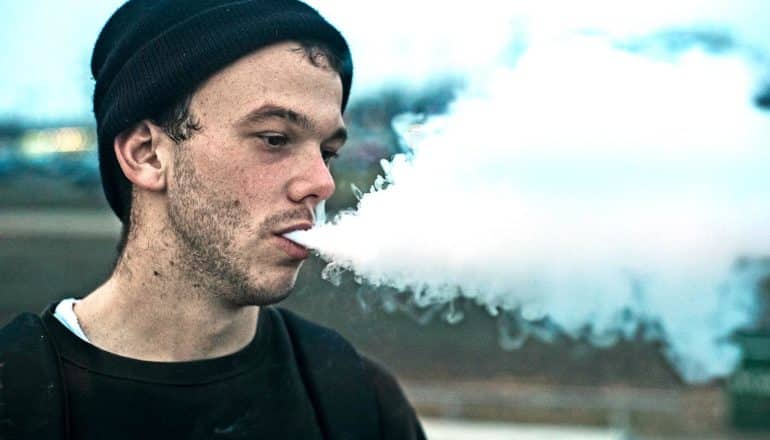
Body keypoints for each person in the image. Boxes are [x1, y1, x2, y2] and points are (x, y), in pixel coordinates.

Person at [0, 1, 426, 439]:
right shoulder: (15, 396)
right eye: (275, 139)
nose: (321, 183)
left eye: (327, 152)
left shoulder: (358, 401)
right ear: (146, 154)